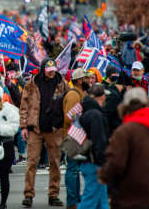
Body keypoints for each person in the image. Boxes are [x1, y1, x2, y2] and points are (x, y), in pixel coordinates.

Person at [99, 87, 149, 209]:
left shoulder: (124, 132)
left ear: (125, 107)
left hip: (130, 199)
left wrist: (103, 175)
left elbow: (115, 164)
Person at [20, 59, 68, 207]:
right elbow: (24, 105)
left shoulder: (62, 83)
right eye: (49, 70)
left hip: (54, 129)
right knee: (31, 162)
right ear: (43, 69)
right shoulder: (32, 83)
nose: (52, 72)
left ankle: (53, 195)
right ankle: (28, 195)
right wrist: (23, 126)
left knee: (55, 163)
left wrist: (65, 126)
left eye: (53, 69)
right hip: (35, 128)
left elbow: (68, 103)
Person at [77, 84, 109, 209]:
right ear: (102, 97)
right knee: (89, 201)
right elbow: (99, 141)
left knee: (102, 199)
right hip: (95, 162)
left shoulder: (85, 110)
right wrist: (103, 163)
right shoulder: (95, 114)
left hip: (87, 160)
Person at [62, 68, 89, 209]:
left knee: (75, 169)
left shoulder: (80, 93)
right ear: (79, 80)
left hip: (77, 136)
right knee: (72, 170)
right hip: (73, 137)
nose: (89, 80)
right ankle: (72, 201)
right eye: (86, 78)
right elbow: (70, 117)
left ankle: (76, 199)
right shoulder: (73, 95)